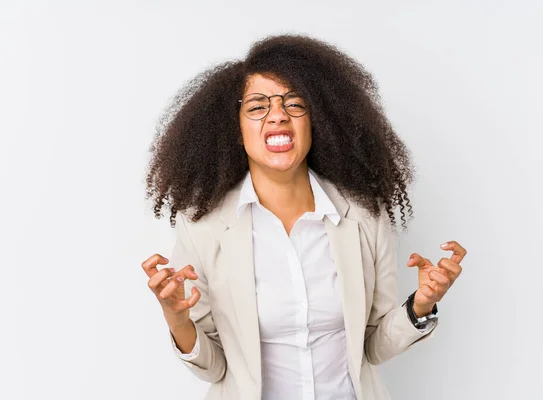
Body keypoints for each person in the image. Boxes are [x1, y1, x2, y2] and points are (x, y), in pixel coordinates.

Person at [142, 34, 467, 400]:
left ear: (317, 121)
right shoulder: (203, 226)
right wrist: (176, 317)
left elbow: (374, 347)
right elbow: (215, 367)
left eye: (294, 104)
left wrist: (420, 305)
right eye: (257, 106)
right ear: (235, 127)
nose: (278, 114)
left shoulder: (364, 215)